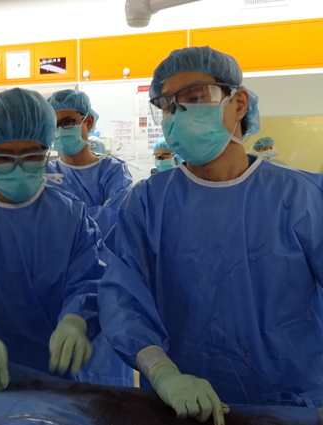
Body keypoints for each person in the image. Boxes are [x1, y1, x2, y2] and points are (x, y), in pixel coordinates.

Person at [100, 45, 323, 425]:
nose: (178, 113)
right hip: (183, 406)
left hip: (292, 403)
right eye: (168, 105)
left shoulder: (301, 198)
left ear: (239, 104)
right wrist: (163, 373)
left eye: (196, 97)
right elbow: (122, 299)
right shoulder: (146, 204)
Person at [0, 87, 132, 391]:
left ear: (47, 152)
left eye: (31, 157)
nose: (18, 168)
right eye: (2, 158)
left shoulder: (70, 216)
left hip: (57, 376)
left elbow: (90, 279)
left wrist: (76, 320)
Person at [46, 90, 132, 236]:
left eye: (67, 122)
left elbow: (112, 221)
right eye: (54, 125)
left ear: (89, 122)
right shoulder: (46, 174)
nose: (60, 131)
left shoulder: (113, 171)